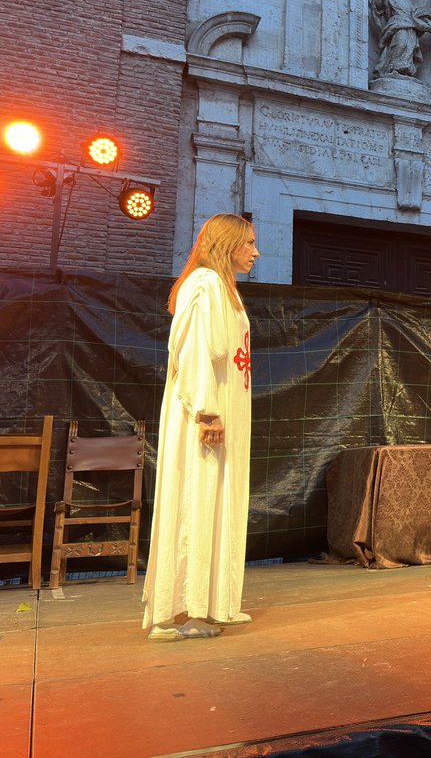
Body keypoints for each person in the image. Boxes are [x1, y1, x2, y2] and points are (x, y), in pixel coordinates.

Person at [142, 214, 259, 641]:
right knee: (196, 496)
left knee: (217, 499)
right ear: (227, 244)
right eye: (249, 243)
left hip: (226, 406)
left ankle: (211, 605)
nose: (256, 251)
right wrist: (207, 411)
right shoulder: (204, 283)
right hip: (204, 412)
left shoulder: (224, 289)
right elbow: (192, 350)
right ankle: (175, 613)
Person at [371, 0, 431, 79]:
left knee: (409, 48)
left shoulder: (410, 4)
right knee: (400, 44)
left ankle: (405, 71)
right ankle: (392, 68)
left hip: (411, 28)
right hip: (397, 26)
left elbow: (419, 16)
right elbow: (379, 5)